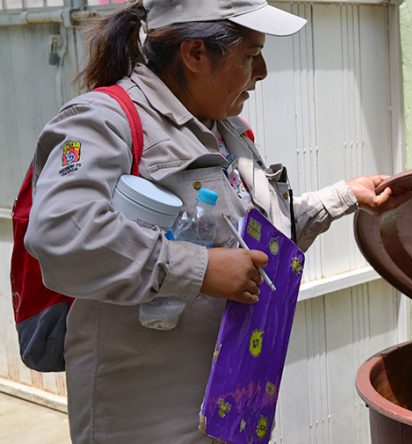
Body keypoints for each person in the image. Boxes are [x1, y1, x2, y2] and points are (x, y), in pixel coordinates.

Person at [23, 1, 391, 442]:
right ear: (195, 54)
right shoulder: (102, 122)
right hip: (145, 425)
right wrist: (200, 271)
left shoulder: (225, 130)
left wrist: (342, 198)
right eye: (252, 55)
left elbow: (254, 240)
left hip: (230, 415)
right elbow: (63, 234)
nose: (263, 73)